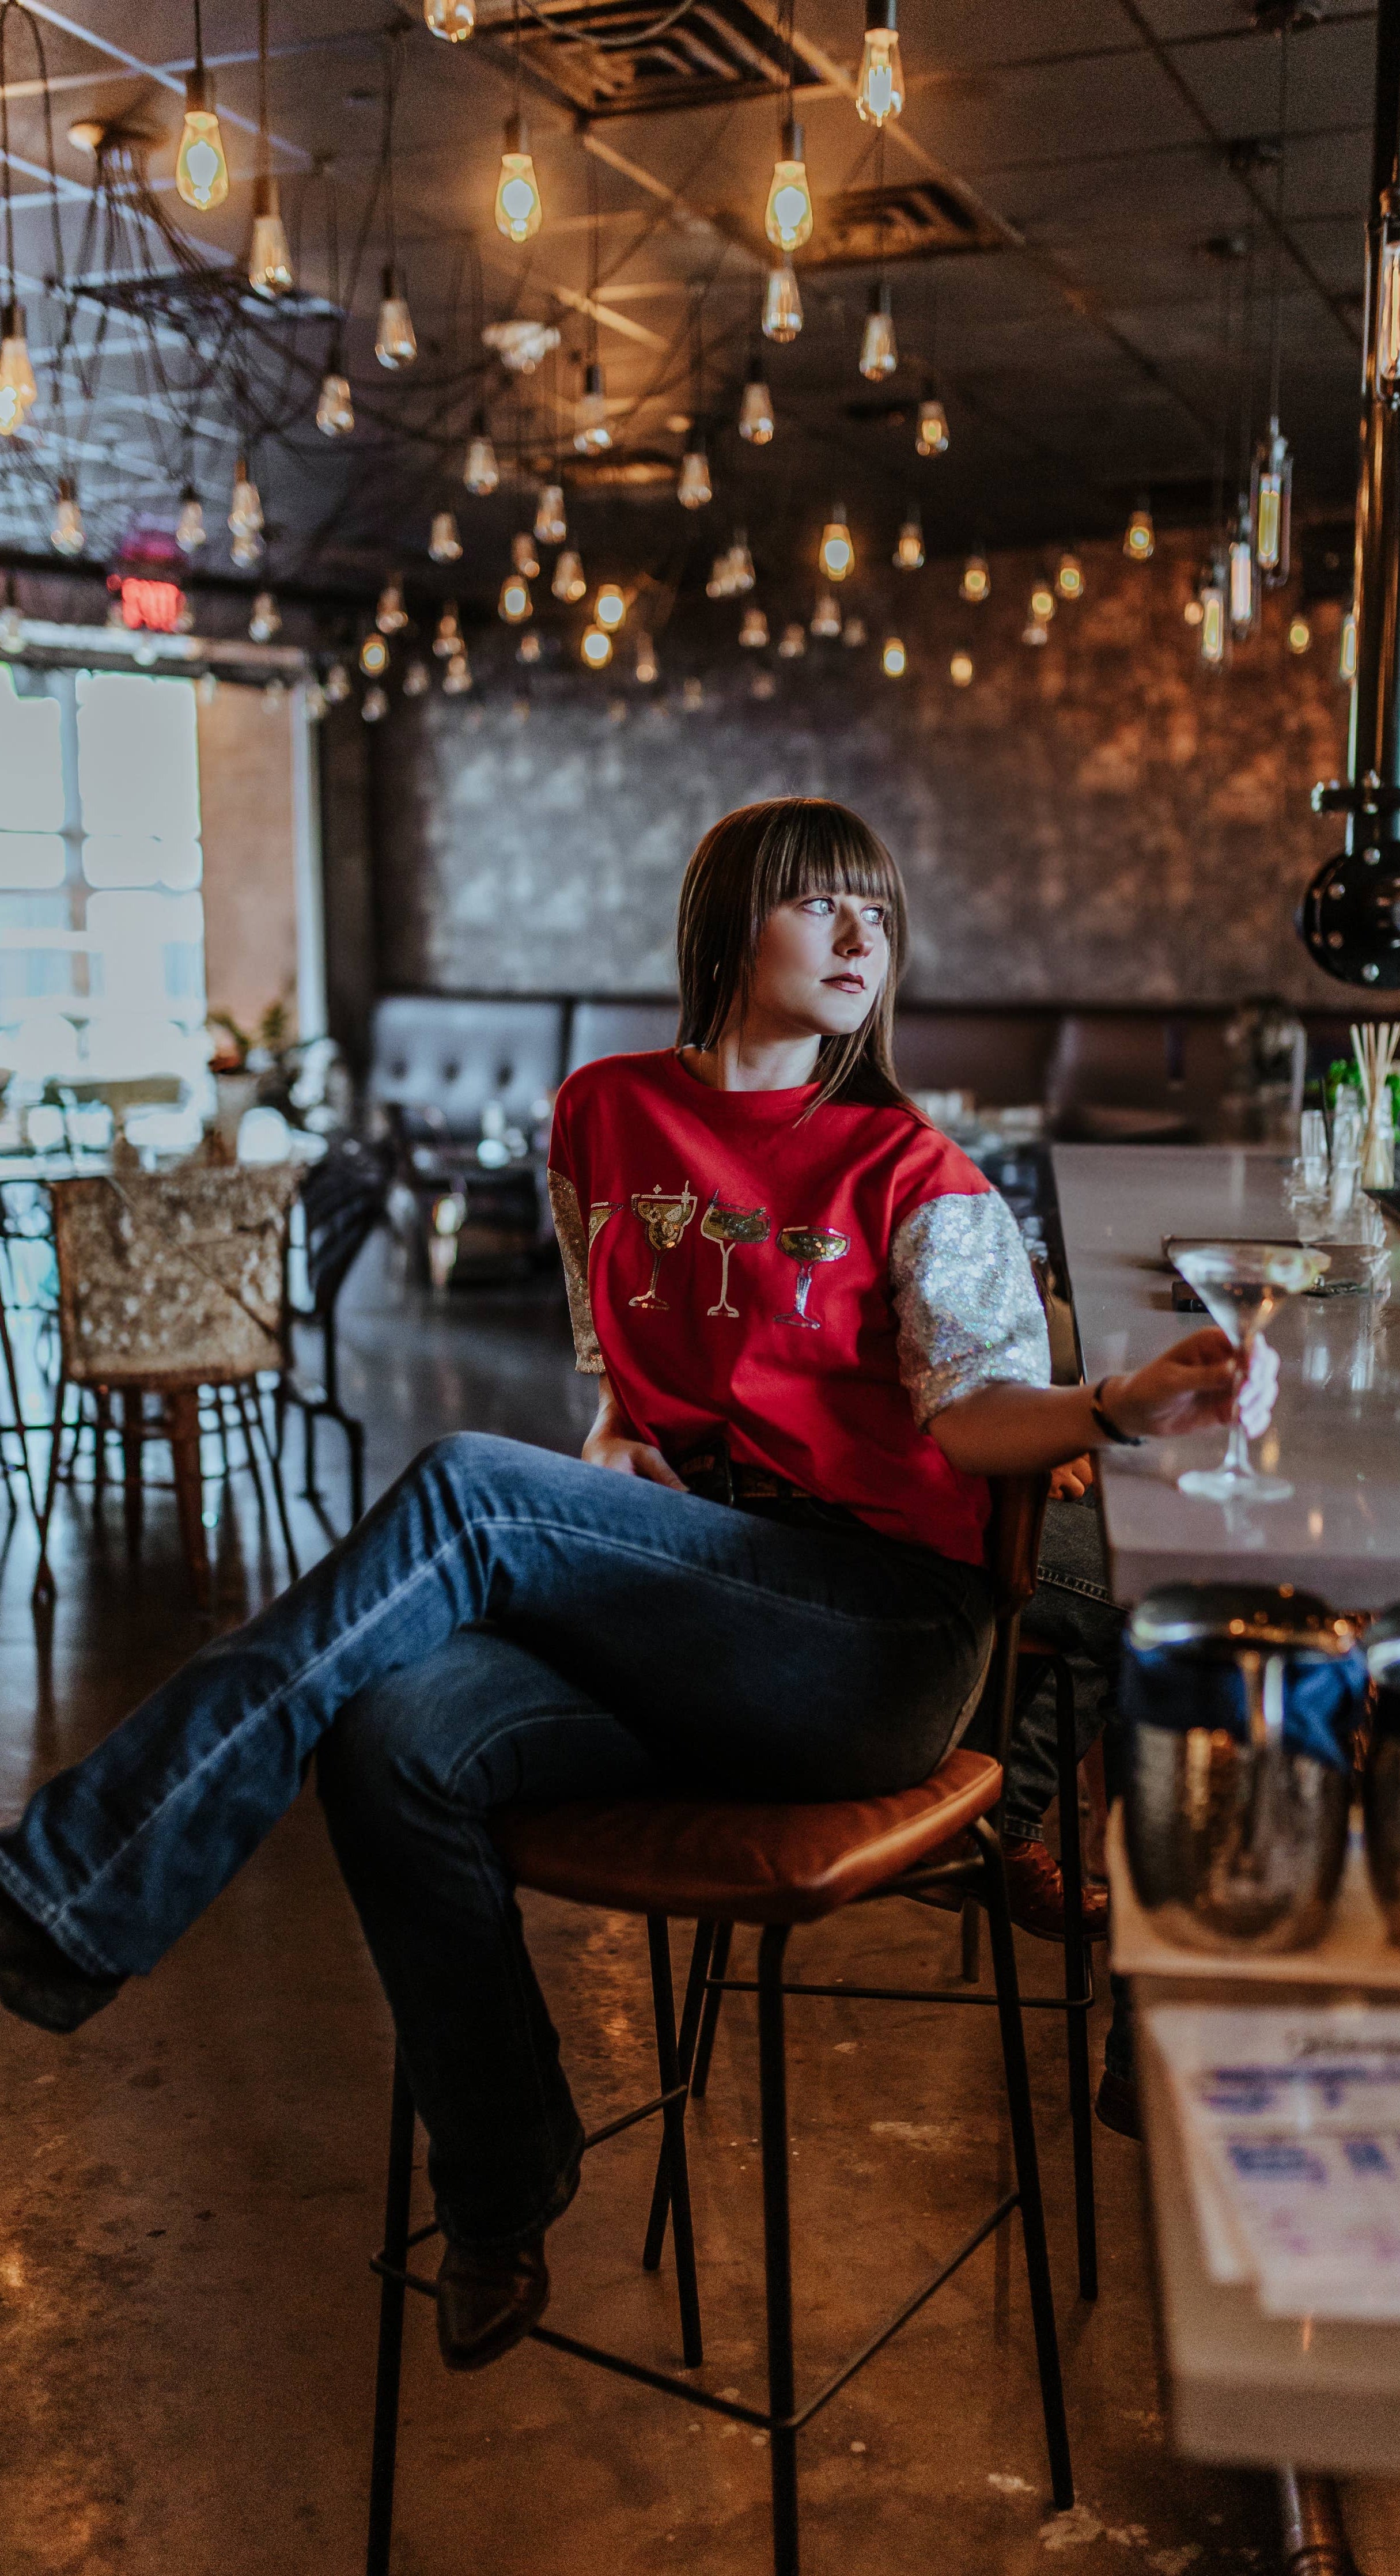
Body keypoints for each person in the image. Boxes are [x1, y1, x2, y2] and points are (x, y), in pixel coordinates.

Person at [0, 797, 1274, 2374]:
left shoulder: (911, 1169)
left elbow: (975, 1421)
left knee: (467, 1489)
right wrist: (611, 1437)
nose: (865, 939)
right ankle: (501, 2180)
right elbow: (618, 1368)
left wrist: (1107, 1406)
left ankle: (70, 1881)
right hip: (679, 1601)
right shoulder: (601, 1115)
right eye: (825, 907)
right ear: (731, 927)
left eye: (881, 912)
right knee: (388, 1745)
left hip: (867, 1643)